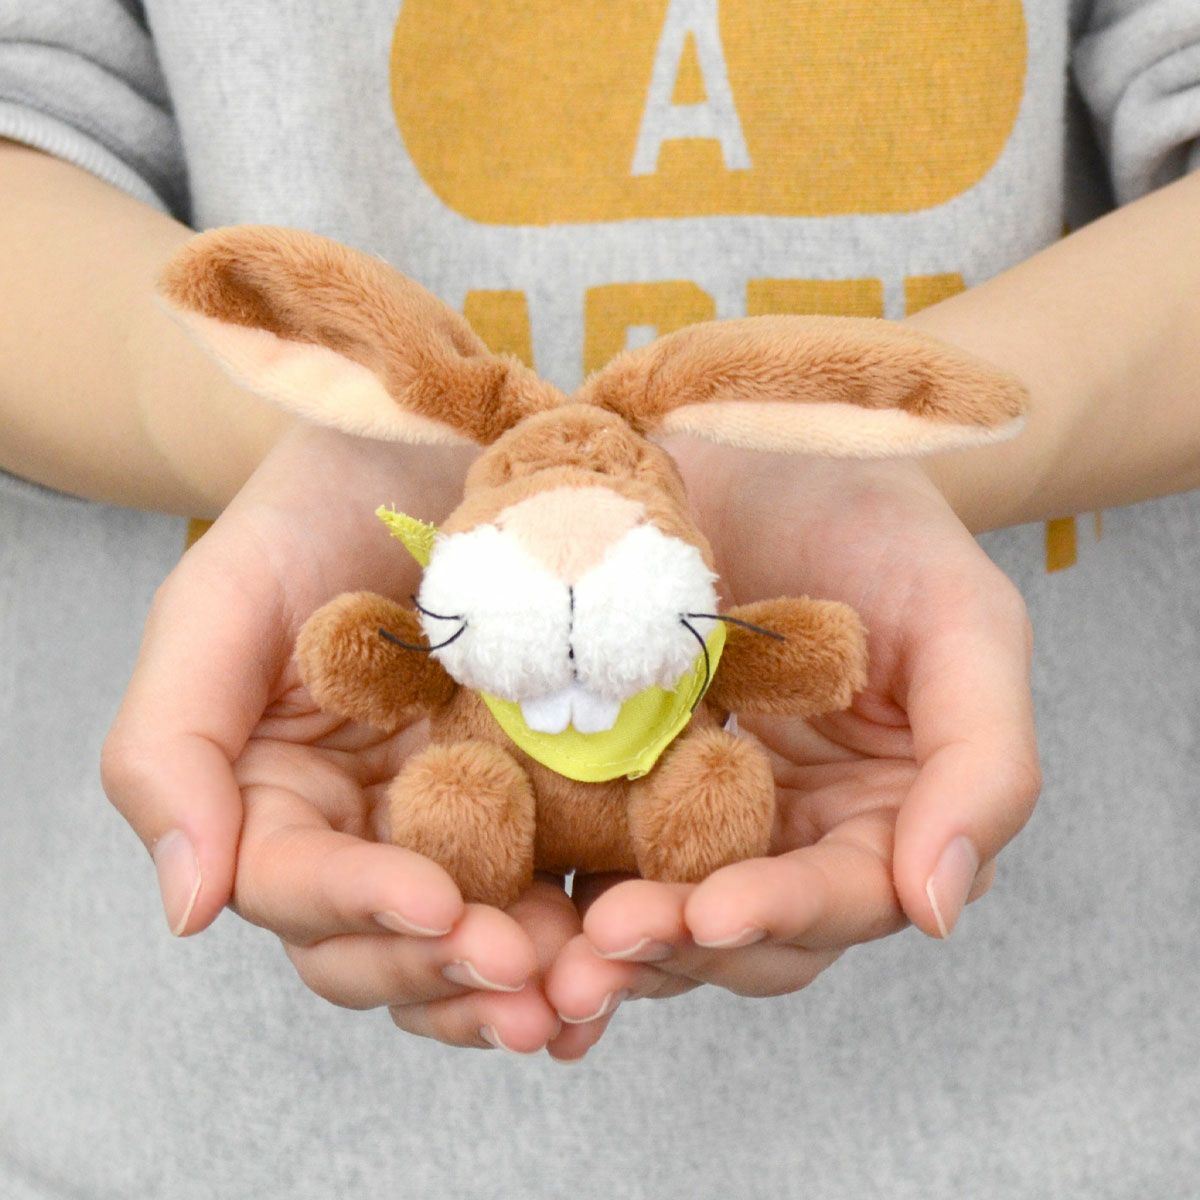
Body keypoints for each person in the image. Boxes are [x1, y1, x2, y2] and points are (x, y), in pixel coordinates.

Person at [1, 2, 1197, 1196]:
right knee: (459, 787)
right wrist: (316, 444)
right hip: (185, 1136)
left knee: (706, 779)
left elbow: (807, 653)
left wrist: (882, 469)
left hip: (1074, 1112)